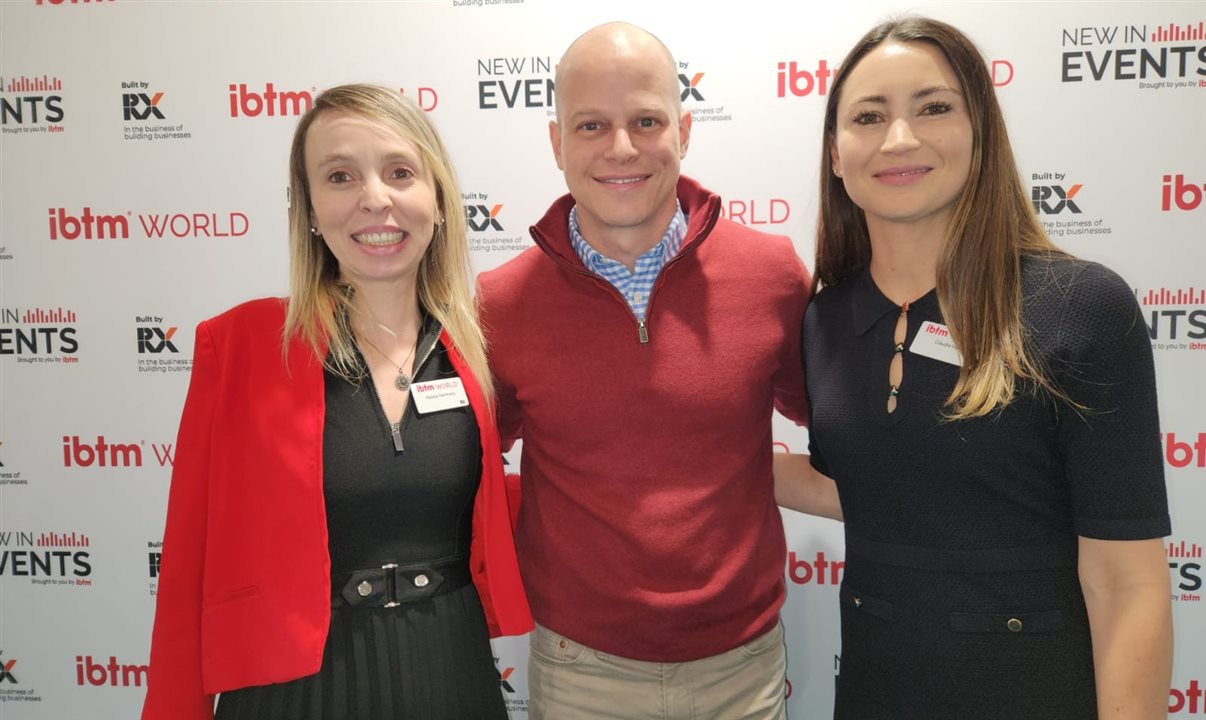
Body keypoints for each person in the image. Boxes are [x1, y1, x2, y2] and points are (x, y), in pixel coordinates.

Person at [776, 17, 1173, 719]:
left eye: (934, 107)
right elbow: (877, 489)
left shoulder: (1080, 308)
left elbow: (1127, 584)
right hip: (874, 692)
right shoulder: (824, 319)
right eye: (868, 117)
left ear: (980, 133)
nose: (900, 138)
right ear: (836, 154)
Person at [476, 21, 834, 720]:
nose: (620, 148)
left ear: (685, 129)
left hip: (744, 666)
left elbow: (844, 426)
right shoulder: (500, 303)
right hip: (580, 670)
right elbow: (469, 465)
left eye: (646, 121)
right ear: (556, 143)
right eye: (590, 125)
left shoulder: (771, 275)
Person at [142, 84, 532, 720]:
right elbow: (188, 561)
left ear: (436, 199)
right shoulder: (240, 347)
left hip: (450, 674)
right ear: (311, 210)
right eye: (340, 176)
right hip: (294, 688)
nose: (374, 199)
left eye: (400, 172)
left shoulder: (483, 347)